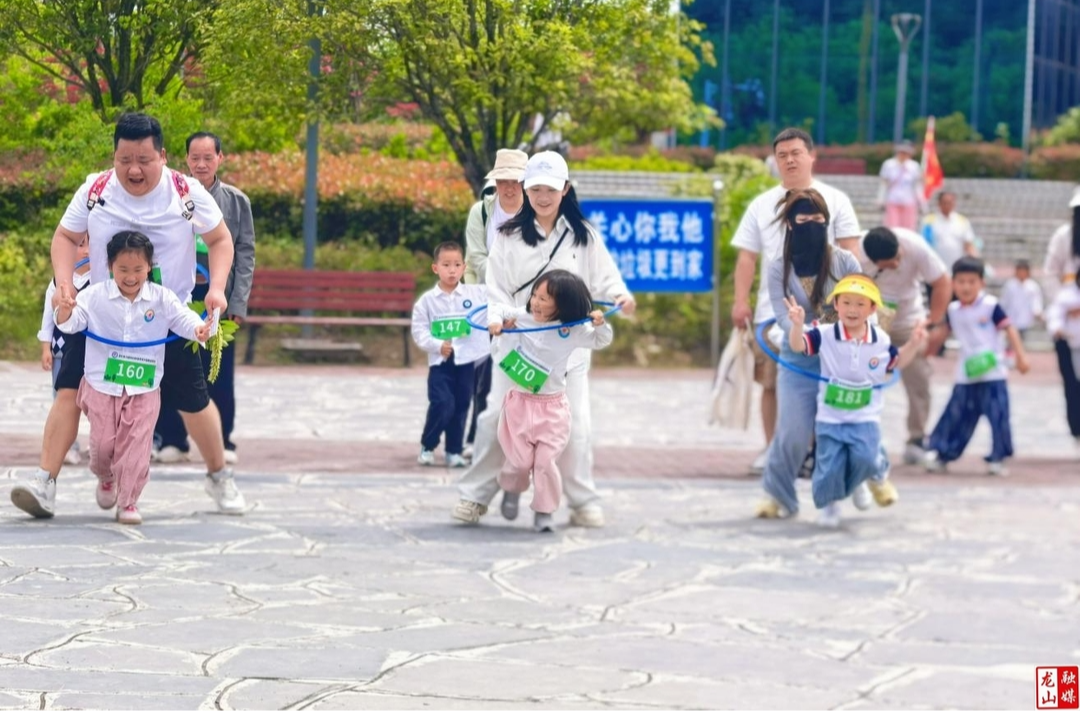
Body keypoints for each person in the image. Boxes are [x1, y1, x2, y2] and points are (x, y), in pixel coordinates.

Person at [8, 112, 243, 519]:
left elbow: (220, 239)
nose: (134, 169)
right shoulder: (96, 189)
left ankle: (219, 476)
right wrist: (65, 284)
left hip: (165, 319)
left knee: (193, 401)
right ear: (113, 156)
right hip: (100, 316)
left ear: (163, 156)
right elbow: (65, 236)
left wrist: (218, 289)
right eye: (125, 159)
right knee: (68, 391)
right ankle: (45, 483)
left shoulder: (184, 192)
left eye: (144, 160)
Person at [451, 151, 635, 528]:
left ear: (565, 189)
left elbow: (605, 279)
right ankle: (475, 496)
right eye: (535, 188)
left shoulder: (584, 236)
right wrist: (498, 320)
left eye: (551, 189)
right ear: (525, 189)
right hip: (518, 345)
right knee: (494, 420)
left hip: (566, 350)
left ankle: (582, 501)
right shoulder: (507, 236)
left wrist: (619, 295)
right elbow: (496, 290)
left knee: (576, 428)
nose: (543, 196)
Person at [39, 232, 214, 524]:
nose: (130, 277)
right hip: (101, 384)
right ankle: (106, 477)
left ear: (148, 268)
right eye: (123, 270)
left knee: (136, 446)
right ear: (109, 267)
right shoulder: (94, 296)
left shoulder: (161, 297)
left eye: (137, 270)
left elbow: (183, 318)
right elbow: (72, 325)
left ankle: (129, 501)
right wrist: (66, 313)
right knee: (103, 446)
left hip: (144, 387)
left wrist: (199, 328)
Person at [756, 188, 894, 519]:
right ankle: (779, 494)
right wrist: (805, 327)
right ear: (790, 224)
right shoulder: (779, 269)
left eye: (819, 220)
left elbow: (860, 306)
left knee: (854, 418)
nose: (812, 226)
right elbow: (781, 314)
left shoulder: (844, 261)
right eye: (804, 220)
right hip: (799, 354)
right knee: (793, 429)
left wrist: (867, 345)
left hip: (842, 354)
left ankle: (874, 473)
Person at [731, 127, 861, 475]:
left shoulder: (836, 200)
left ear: (811, 156)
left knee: (825, 385)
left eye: (796, 153)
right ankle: (774, 449)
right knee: (775, 382)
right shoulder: (761, 205)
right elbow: (747, 258)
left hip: (830, 318)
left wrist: (848, 312)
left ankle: (820, 453)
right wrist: (740, 300)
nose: (789, 160)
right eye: (782, 155)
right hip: (775, 314)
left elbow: (851, 257)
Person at [784, 275, 927, 527]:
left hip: (865, 416)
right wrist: (797, 325)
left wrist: (914, 344)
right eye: (846, 302)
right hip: (830, 416)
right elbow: (799, 346)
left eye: (860, 304)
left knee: (866, 460)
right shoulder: (824, 333)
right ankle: (830, 507)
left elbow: (896, 363)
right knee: (829, 469)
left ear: (872, 309)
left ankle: (861, 480)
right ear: (836, 306)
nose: (852, 310)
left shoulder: (880, 340)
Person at [153, 131, 257, 466]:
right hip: (177, 295)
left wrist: (238, 303)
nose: (200, 164)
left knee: (219, 371)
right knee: (170, 367)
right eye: (194, 158)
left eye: (208, 158)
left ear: (220, 159)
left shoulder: (236, 201)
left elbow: (245, 254)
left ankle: (223, 439)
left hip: (217, 296)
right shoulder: (169, 195)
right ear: (184, 159)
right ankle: (171, 438)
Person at [488, 270, 614, 532]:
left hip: (553, 409)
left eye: (544, 299)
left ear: (563, 304)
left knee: (545, 463)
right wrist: (497, 325)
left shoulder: (574, 330)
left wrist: (601, 324)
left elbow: (600, 341)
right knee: (520, 461)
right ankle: (513, 488)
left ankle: (544, 511)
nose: (535, 301)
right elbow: (497, 310)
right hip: (520, 404)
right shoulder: (522, 318)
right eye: (535, 295)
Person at [924, 257, 1031, 476]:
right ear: (953, 284)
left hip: (993, 372)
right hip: (966, 373)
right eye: (961, 282)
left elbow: (1010, 329)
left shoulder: (991, 306)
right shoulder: (953, 310)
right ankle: (943, 453)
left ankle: (998, 457)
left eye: (971, 281)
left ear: (981, 283)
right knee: (957, 415)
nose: (966, 287)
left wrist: (1020, 357)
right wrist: (927, 349)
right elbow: (942, 333)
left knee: (998, 415)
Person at [859, 226, 950, 464]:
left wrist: (935, 321)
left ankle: (917, 438)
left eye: (899, 257)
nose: (898, 264)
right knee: (858, 377)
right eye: (890, 262)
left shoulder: (915, 245)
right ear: (873, 261)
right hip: (869, 320)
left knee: (919, 378)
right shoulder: (853, 252)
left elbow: (941, 281)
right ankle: (861, 435)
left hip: (909, 320)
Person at [463, 148, 527, 458]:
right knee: (484, 374)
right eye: (504, 180)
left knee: (525, 373)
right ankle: (477, 439)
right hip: (486, 303)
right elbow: (475, 256)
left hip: (527, 308)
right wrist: (502, 281)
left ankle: (521, 440)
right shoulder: (482, 212)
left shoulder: (536, 212)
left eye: (516, 180)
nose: (510, 187)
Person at [412, 241, 489, 468]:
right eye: (446, 265)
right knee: (442, 403)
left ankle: (453, 451)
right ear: (435, 268)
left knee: (462, 405)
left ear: (464, 268)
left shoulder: (476, 295)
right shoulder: (426, 302)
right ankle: (428, 445)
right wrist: (437, 345)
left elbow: (499, 302)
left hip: (466, 363)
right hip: (441, 363)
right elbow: (419, 331)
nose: (452, 270)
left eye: (457, 264)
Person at [37, 236, 91, 466]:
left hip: (93, 351)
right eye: (79, 245)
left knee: (96, 401)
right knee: (62, 397)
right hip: (61, 349)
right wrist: (45, 347)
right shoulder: (60, 282)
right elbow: (48, 318)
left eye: (90, 244)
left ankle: (99, 444)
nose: (85, 250)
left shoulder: (101, 280)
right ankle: (68, 447)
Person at [1044, 271, 1080, 451]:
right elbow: (1055, 316)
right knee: (1073, 389)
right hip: (1071, 345)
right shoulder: (1066, 295)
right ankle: (1077, 430)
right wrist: (1058, 328)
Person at [920, 191, 978, 272]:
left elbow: (968, 244)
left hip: (957, 267)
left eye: (950, 202)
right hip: (936, 267)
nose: (947, 205)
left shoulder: (962, 221)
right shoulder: (929, 221)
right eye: (944, 202)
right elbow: (924, 244)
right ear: (939, 204)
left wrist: (975, 261)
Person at [878, 140, 925, 231]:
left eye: (906, 153)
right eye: (902, 152)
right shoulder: (889, 164)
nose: (903, 155)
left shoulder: (914, 166)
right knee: (892, 228)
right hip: (893, 199)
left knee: (908, 228)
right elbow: (884, 184)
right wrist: (880, 199)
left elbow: (917, 186)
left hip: (909, 200)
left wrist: (922, 202)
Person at [999, 259, 1044, 342]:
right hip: (1011, 320)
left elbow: (1036, 302)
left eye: (1024, 271)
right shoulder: (1009, 286)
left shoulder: (1033, 286)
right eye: (1020, 271)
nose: (1022, 274)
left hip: (1026, 320)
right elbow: (1004, 302)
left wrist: (1038, 313)